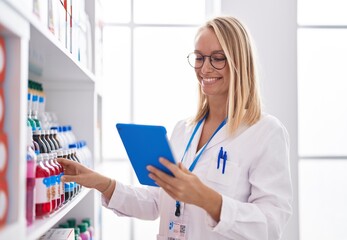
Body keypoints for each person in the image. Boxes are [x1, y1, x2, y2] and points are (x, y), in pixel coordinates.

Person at [57, 15, 293, 240]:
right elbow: (157, 202)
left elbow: (271, 225)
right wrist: (102, 182)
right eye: (199, 57)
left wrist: (209, 200)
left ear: (239, 62)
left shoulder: (265, 132)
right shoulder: (184, 130)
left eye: (217, 58)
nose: (205, 68)